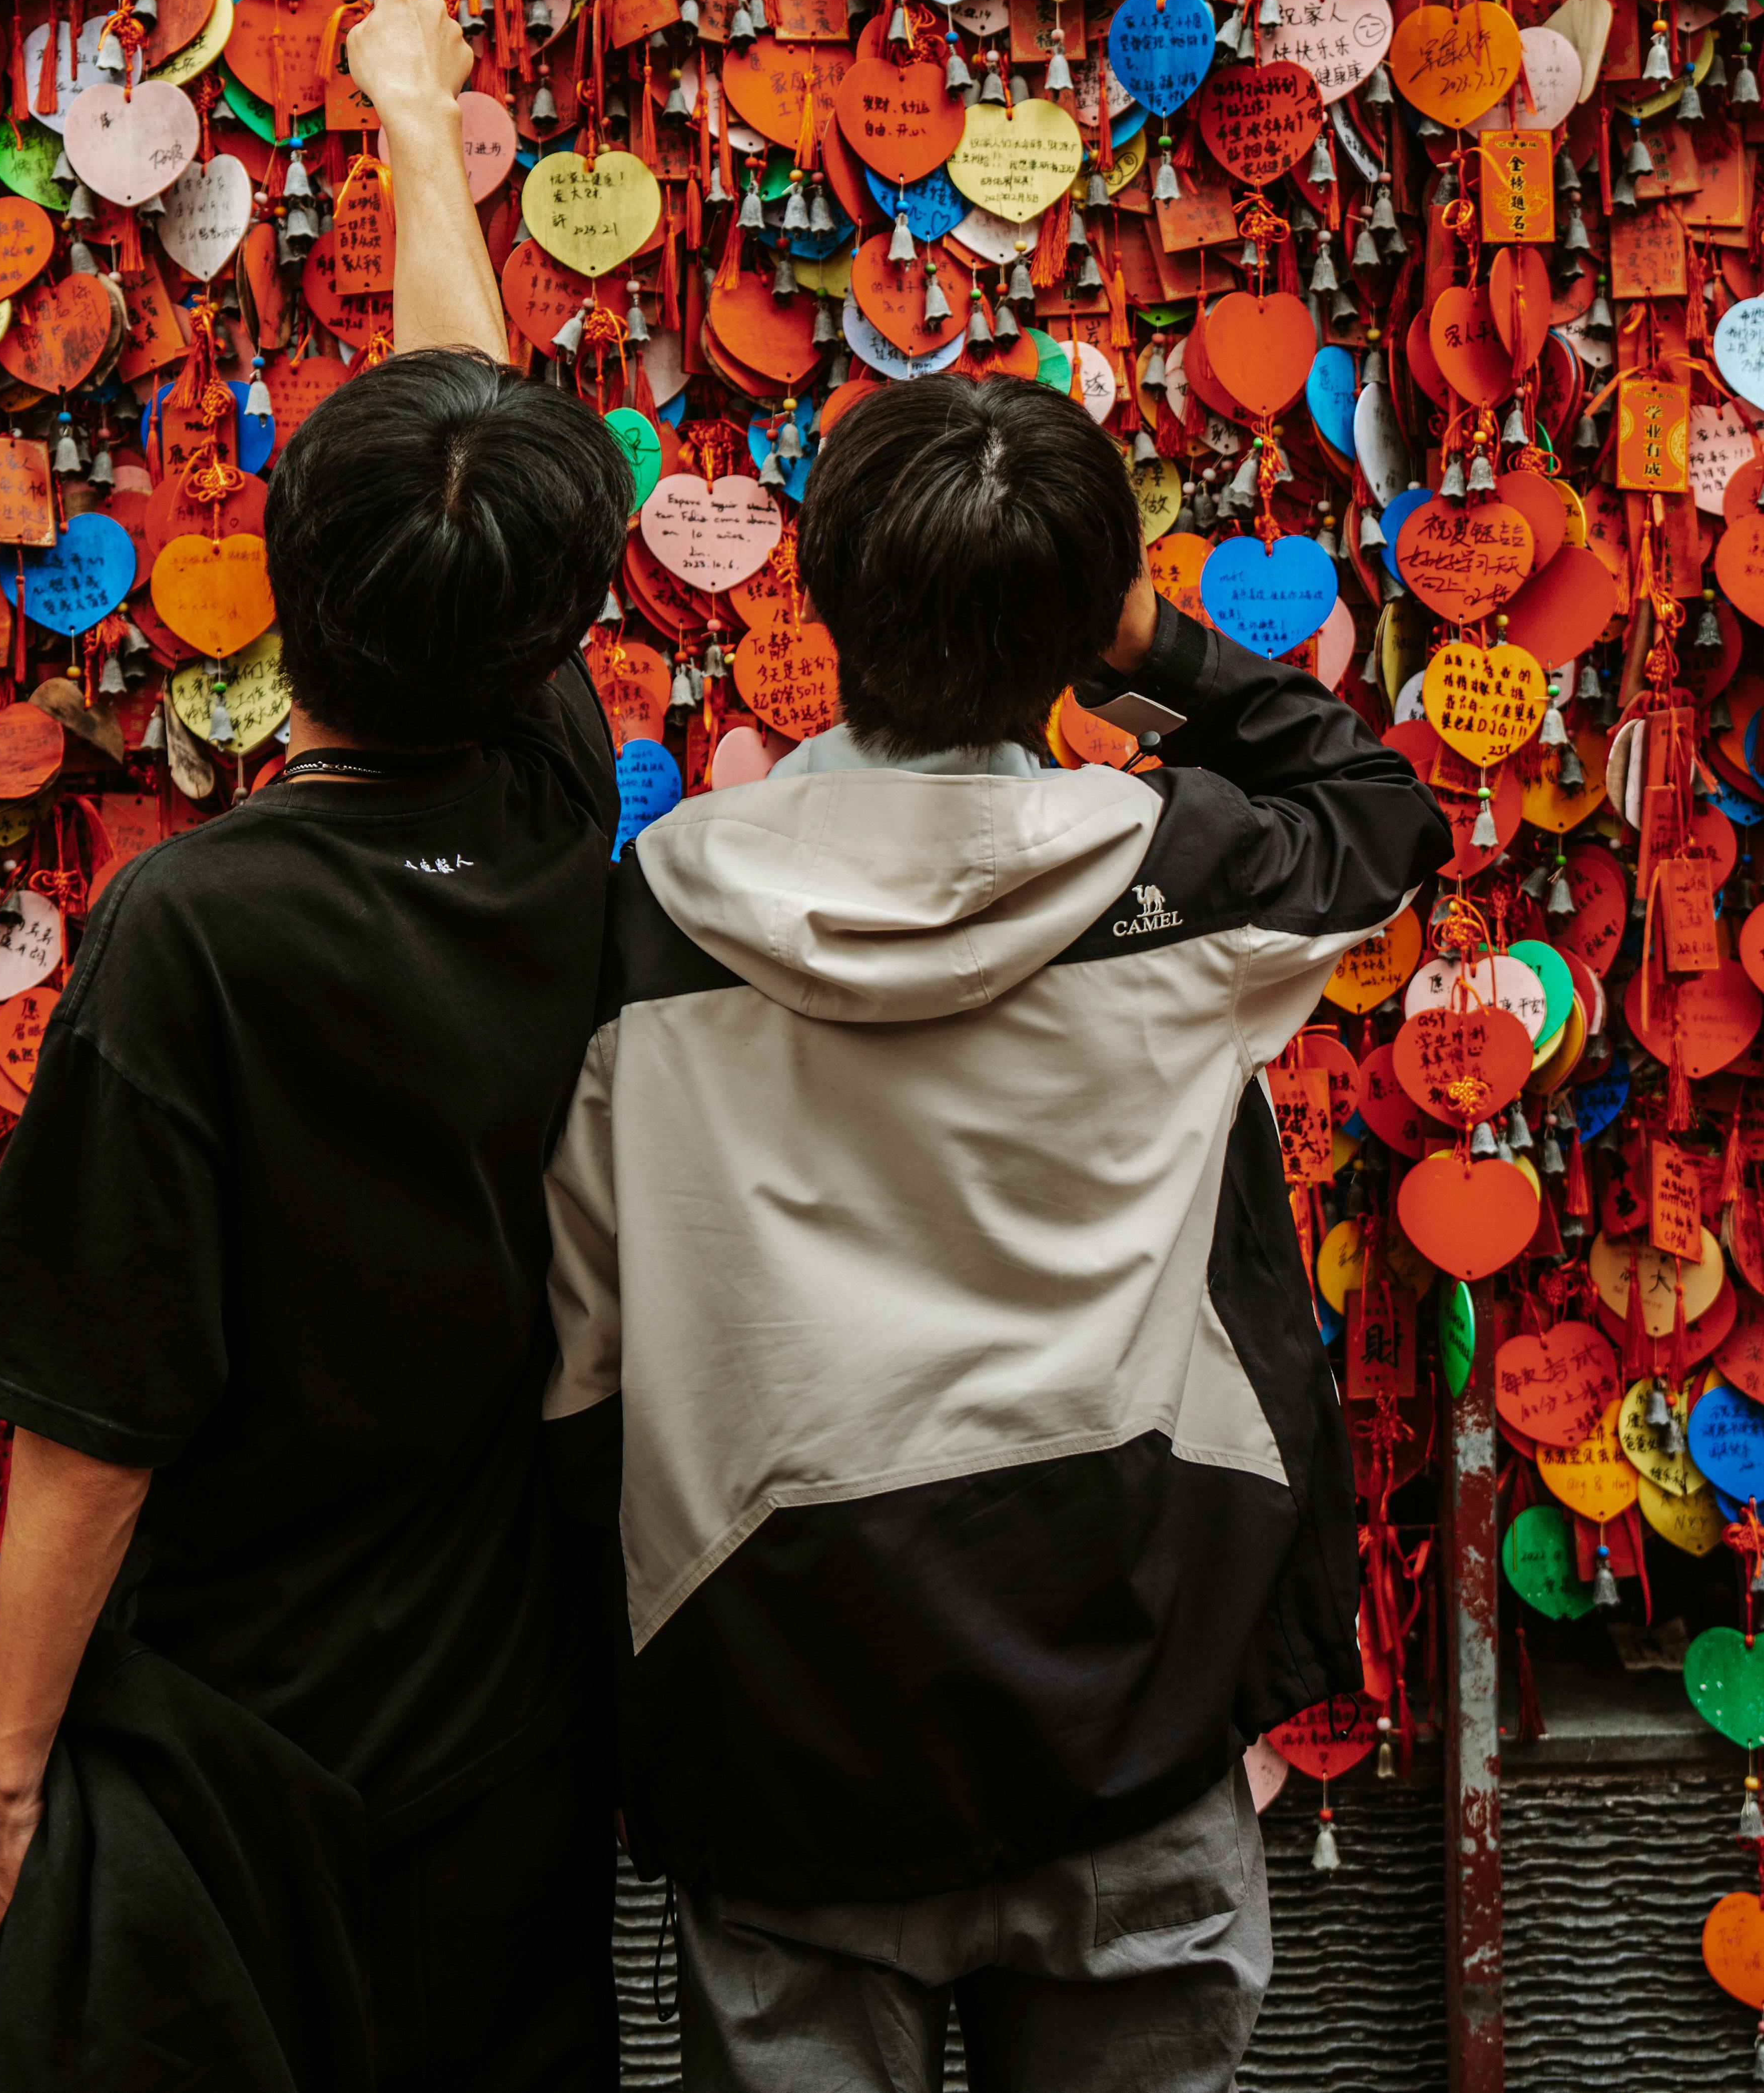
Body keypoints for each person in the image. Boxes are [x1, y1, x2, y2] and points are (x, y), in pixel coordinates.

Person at [542, 376, 1450, 2093]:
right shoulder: (1190, 874)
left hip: (784, 1724)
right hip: (1132, 1691)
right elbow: (1384, 813)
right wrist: (1156, 646)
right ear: (1075, 618)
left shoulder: (651, 916)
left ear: (812, 594)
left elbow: (581, 1351)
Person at [0, 0, 634, 2093]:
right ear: (537, 630)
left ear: (285, 610)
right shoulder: (545, 808)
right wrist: (418, 117)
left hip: (242, 1727)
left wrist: (10, 1768)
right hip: (512, 1719)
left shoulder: (194, 925)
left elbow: (100, 1410)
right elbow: (478, 469)